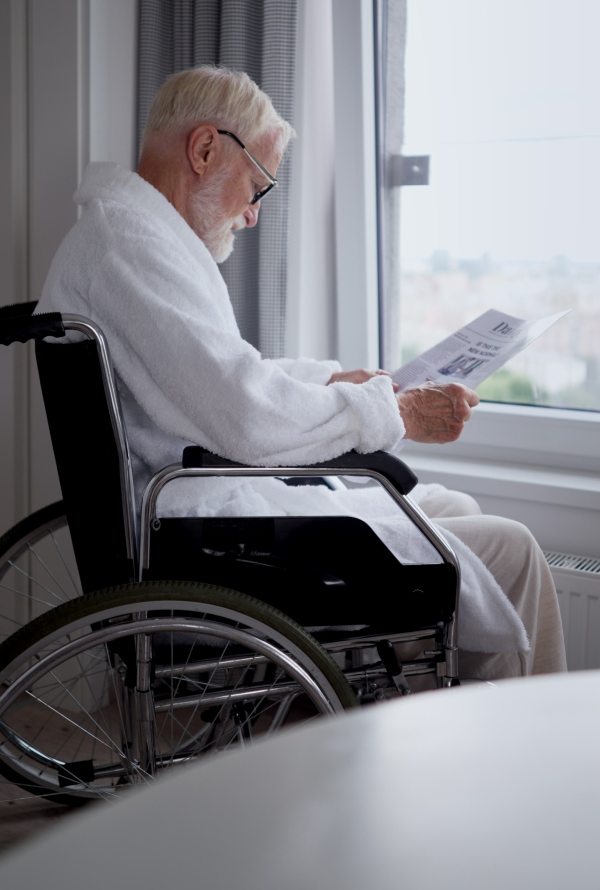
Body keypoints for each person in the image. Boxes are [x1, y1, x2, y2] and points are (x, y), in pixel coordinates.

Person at [38, 65, 566, 678]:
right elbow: (243, 412)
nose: (254, 214)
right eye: (258, 186)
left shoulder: (130, 239)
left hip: (198, 507)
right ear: (206, 149)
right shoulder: (127, 248)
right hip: (200, 535)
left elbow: (218, 382)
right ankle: (512, 749)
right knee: (514, 549)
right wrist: (394, 413)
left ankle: (400, 717)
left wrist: (333, 385)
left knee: (458, 509)